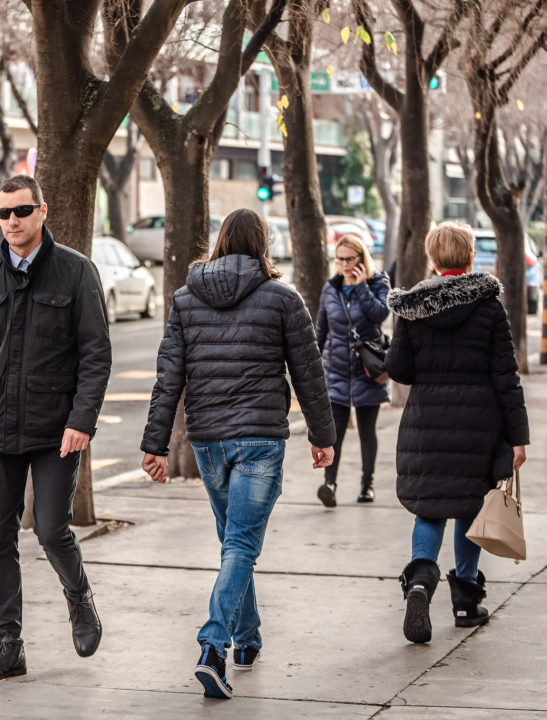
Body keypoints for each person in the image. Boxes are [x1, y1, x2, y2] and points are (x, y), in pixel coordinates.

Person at [140, 209, 336, 699]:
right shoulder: (283, 299)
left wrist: (155, 444)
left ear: (221, 242)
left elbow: (169, 377)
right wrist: (323, 436)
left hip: (208, 442)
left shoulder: (185, 299)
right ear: (263, 245)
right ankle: (213, 646)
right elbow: (308, 375)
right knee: (242, 546)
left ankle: (246, 641)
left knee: (234, 543)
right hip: (260, 441)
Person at [0, 175, 112, 681]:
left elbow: (96, 355)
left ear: (43, 211)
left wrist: (81, 421)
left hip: (55, 428)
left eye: (21, 211)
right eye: (3, 214)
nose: (12, 222)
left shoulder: (76, 272)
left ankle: (79, 598)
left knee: (50, 528)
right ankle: (9, 645)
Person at [385, 222, 528, 644]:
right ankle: (466, 600)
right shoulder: (488, 307)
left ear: (433, 259)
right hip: (479, 426)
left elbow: (399, 369)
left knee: (429, 507)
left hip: (426, 424)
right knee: (470, 506)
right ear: (470, 258)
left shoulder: (412, 308)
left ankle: (419, 583)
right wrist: (518, 437)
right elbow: (506, 376)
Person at [315, 234, 391, 506]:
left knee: (366, 431)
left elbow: (380, 314)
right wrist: (313, 367)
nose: (344, 265)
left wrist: (361, 287)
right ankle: (330, 483)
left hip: (367, 370)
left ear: (361, 258)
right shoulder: (331, 289)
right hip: (335, 371)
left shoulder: (378, 283)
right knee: (334, 431)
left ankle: (367, 485)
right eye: (340, 259)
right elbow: (321, 329)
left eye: (350, 259)